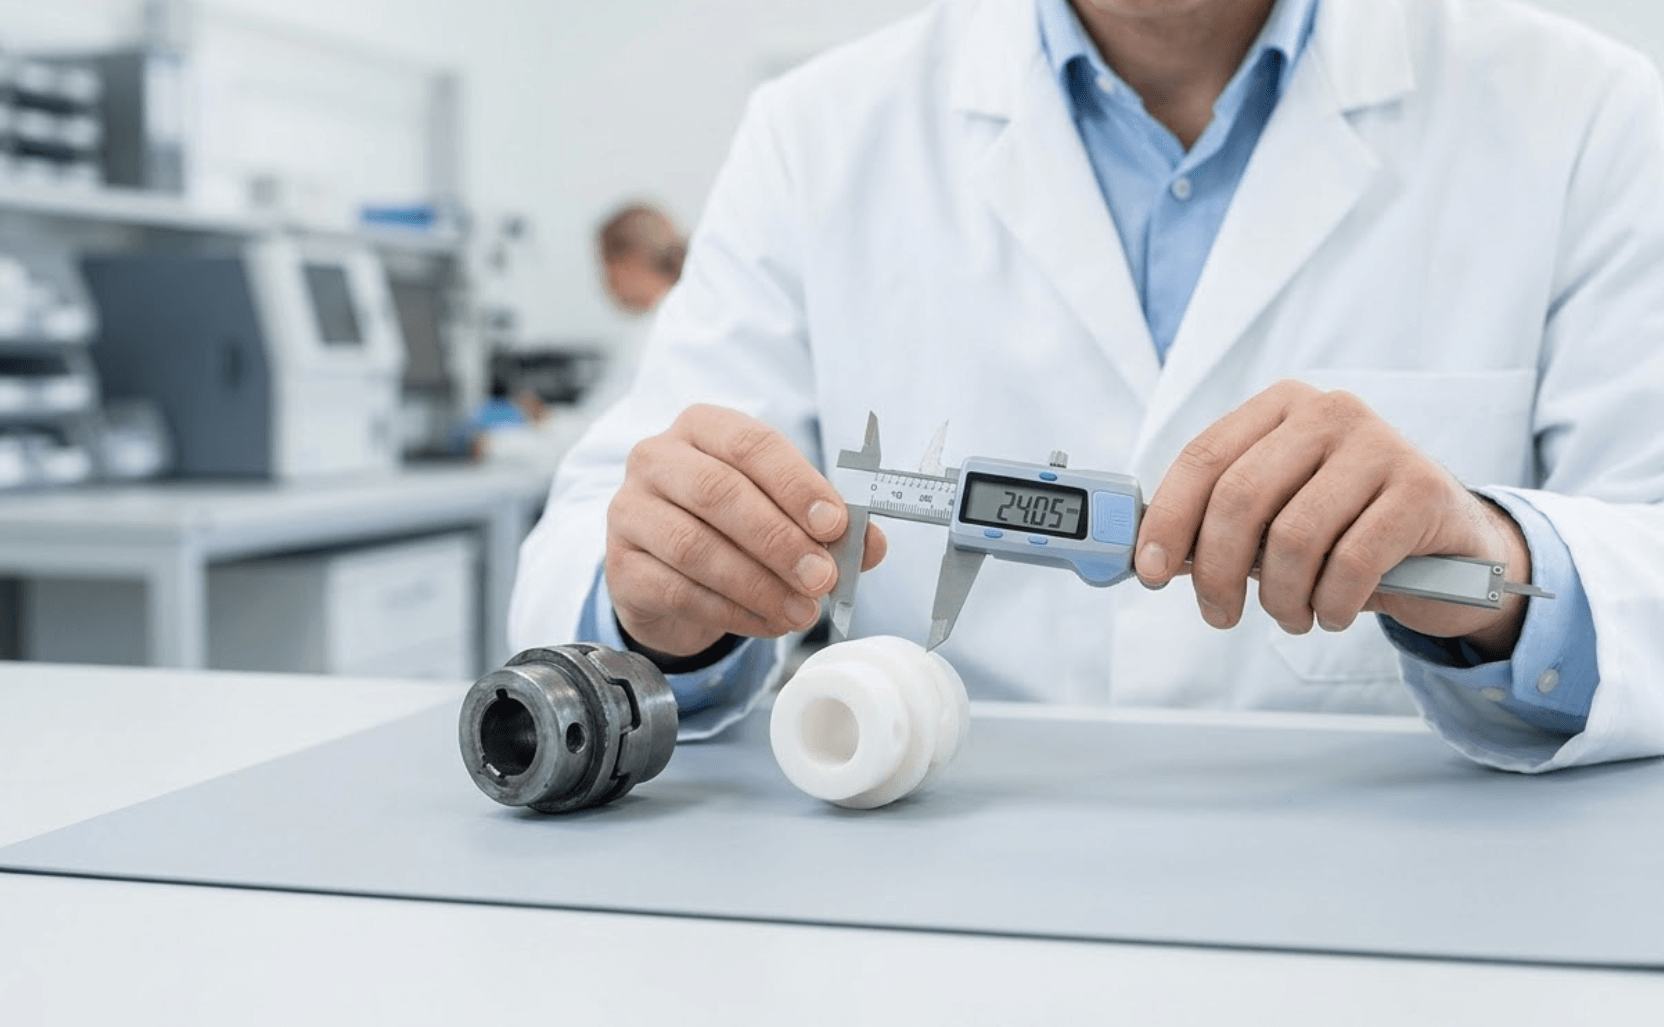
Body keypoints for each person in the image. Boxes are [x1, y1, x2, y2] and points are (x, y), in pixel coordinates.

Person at [511, 0, 1664, 770]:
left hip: (1423, 905)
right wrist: (657, 606)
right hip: (923, 888)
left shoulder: (1593, 115)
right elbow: (611, 531)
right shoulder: (814, 132)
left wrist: (1502, 567)